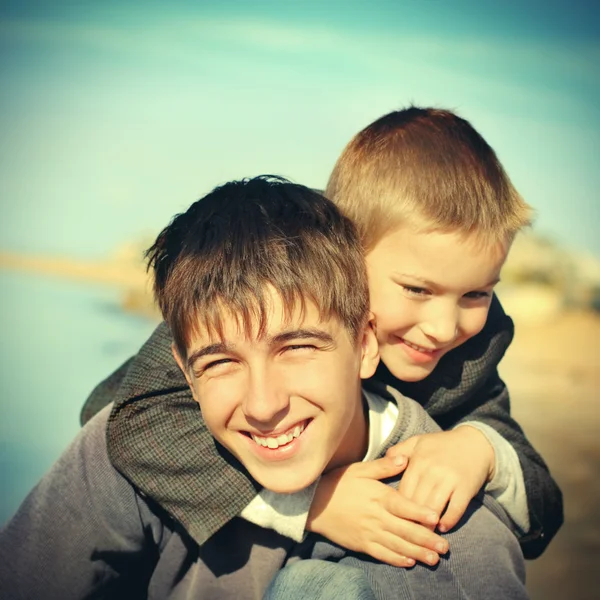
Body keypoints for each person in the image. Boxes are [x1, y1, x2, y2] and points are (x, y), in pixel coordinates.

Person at [0, 177, 528, 599]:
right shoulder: (132, 451)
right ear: (185, 372)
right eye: (221, 361)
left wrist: (482, 447)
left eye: (297, 348)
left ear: (365, 343)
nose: (262, 405)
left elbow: (536, 492)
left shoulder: (449, 526)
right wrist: (308, 504)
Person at [82, 107, 562, 566]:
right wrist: (314, 505)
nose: (443, 327)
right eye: (416, 289)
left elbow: (544, 507)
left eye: (476, 294)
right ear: (345, 248)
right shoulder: (258, 290)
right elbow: (129, 422)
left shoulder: (471, 349)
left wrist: (482, 448)